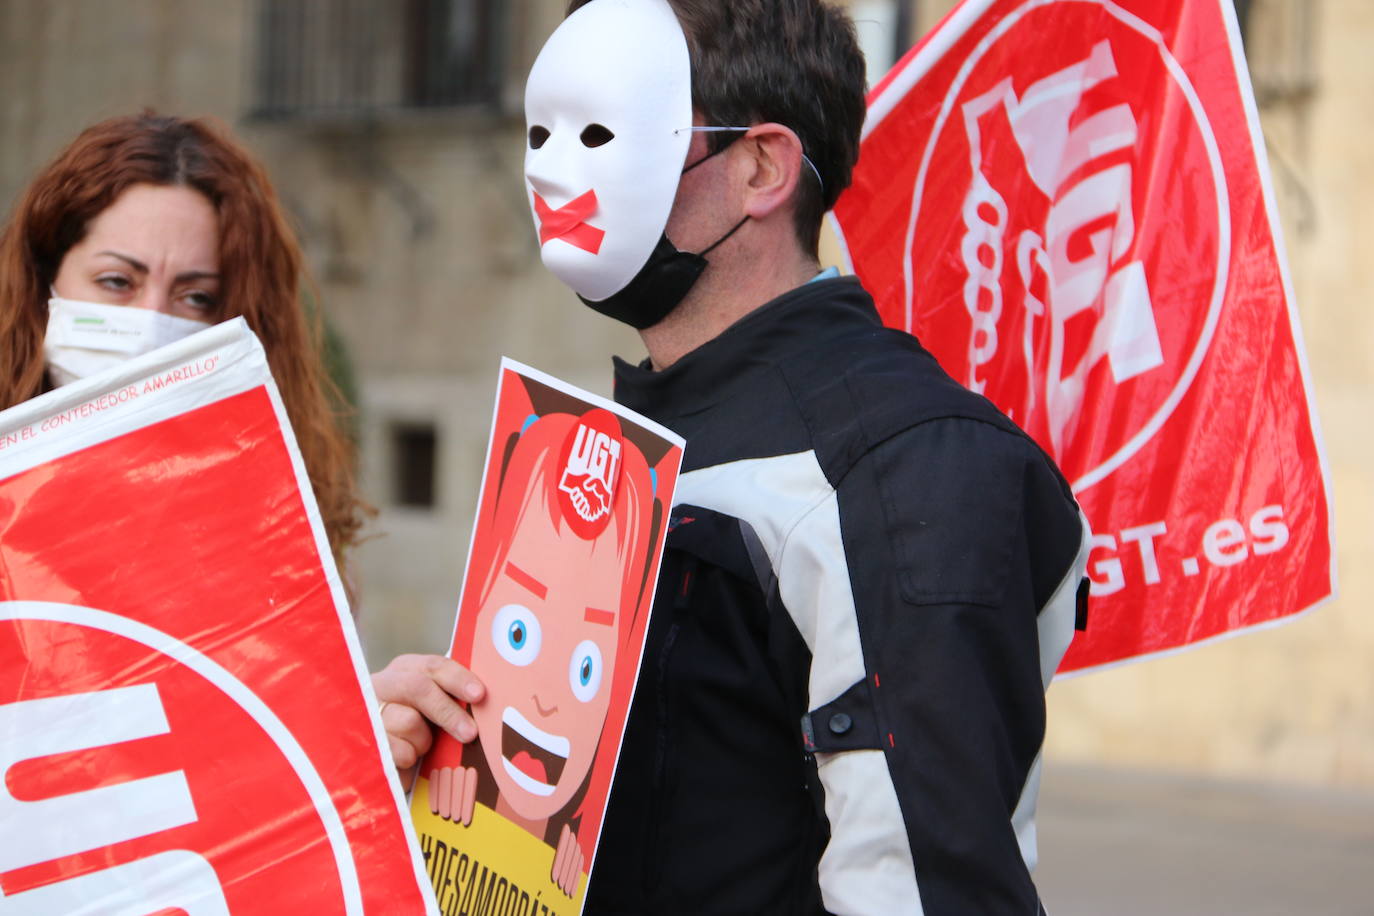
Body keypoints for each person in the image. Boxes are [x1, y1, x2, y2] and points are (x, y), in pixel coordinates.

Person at [376, 0, 1092, 913]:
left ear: (762, 167)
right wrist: (422, 757)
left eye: (599, 132)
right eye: (540, 132)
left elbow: (923, 885)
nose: (552, 175)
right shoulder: (610, 448)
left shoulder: (907, 467)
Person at [0, 112, 366, 565]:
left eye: (196, 297)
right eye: (117, 281)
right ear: (43, 281)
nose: (152, 323)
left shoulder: (278, 533)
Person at [423, 407, 658, 897]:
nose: (546, 702)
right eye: (518, 634)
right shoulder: (427, 779)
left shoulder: (619, 844)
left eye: (587, 669)